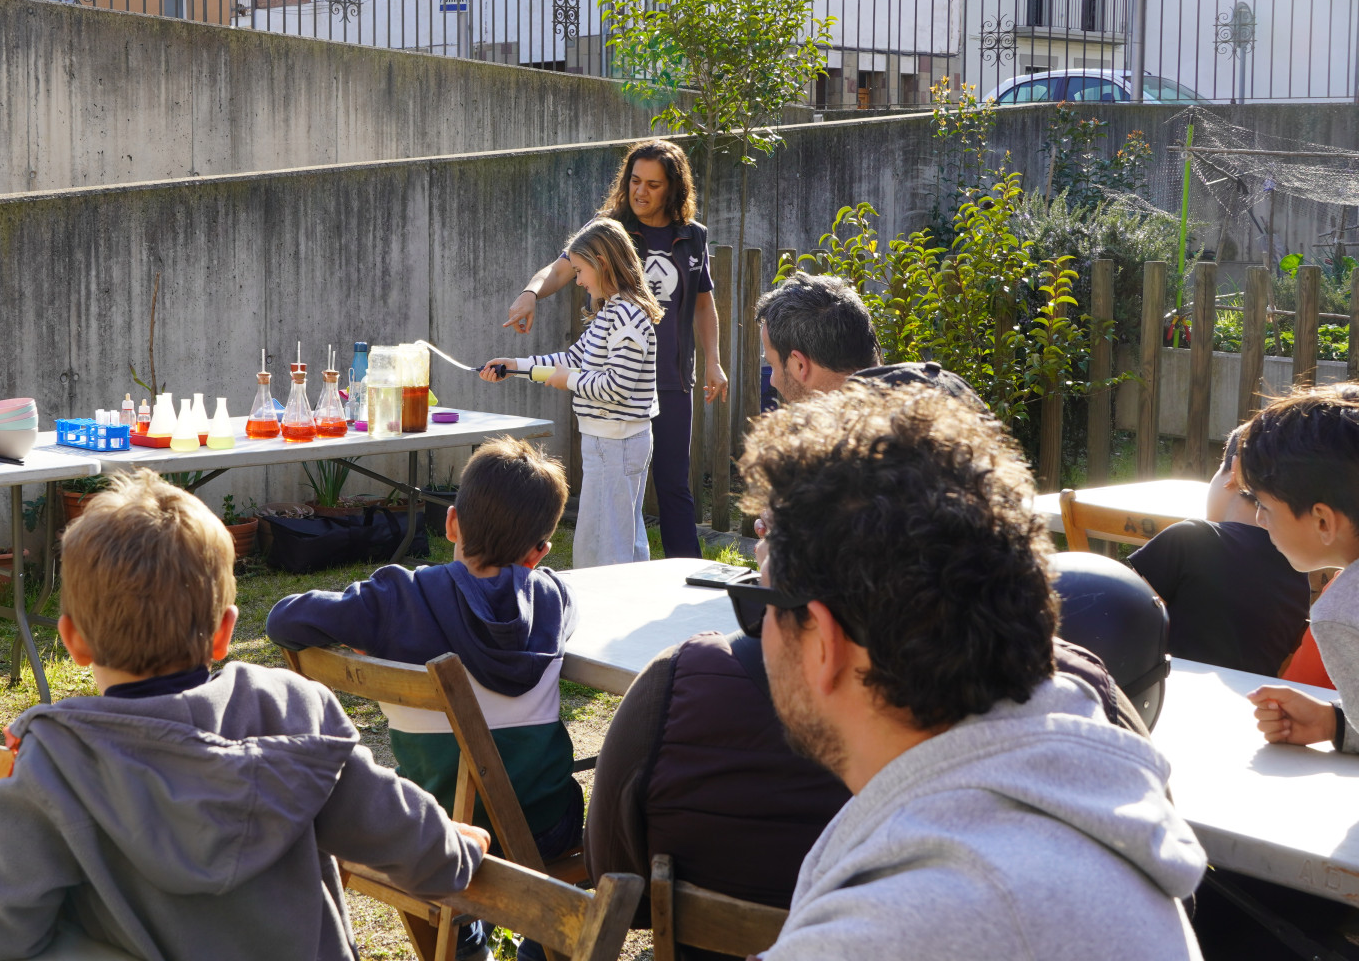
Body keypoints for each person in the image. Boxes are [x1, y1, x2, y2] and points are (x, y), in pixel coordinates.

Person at [744, 383, 1206, 959]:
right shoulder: (1077, 792)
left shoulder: (897, 930)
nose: (758, 631)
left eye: (758, 604)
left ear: (823, 641)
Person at [0, 470, 487, 961]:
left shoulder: (54, 766)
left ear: (72, 641)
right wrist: (457, 850)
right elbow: (398, 831)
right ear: (224, 632)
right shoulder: (294, 713)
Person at [266, 436, 577, 960]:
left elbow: (283, 620)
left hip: (430, 833)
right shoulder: (554, 598)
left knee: (429, 797)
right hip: (544, 828)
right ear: (539, 553)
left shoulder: (396, 600)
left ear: (451, 523)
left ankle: (464, 948)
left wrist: (369, 627)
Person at [505, 139, 726, 558]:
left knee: (673, 484)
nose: (640, 192)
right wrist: (531, 293)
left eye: (653, 185)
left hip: (672, 378)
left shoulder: (693, 237)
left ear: (673, 188)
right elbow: (561, 269)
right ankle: (622, 569)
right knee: (618, 494)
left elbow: (703, 304)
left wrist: (713, 362)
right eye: (635, 181)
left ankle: (685, 576)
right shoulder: (609, 229)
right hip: (613, 380)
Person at [484, 218, 661, 567]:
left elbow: (617, 386)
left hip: (617, 442)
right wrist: (515, 366)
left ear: (602, 263)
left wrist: (570, 381)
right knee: (619, 535)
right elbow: (571, 360)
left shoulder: (626, 315)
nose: (577, 280)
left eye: (580, 270)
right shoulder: (610, 311)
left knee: (608, 543)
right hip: (608, 441)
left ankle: (607, 599)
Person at [1127, 428, 1310, 676]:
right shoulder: (1297, 571)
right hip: (1250, 699)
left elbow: (1119, 615)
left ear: (1235, 471)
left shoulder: (1189, 539)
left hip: (1169, 691)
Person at [1239, 385, 1359, 755]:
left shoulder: (1342, 613)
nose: (1259, 520)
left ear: (1323, 521)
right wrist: (1336, 723)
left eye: (1264, 506)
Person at [753, 271, 980, 407]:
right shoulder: (953, 392)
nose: (772, 381)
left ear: (799, 364)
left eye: (772, 365)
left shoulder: (831, 452)